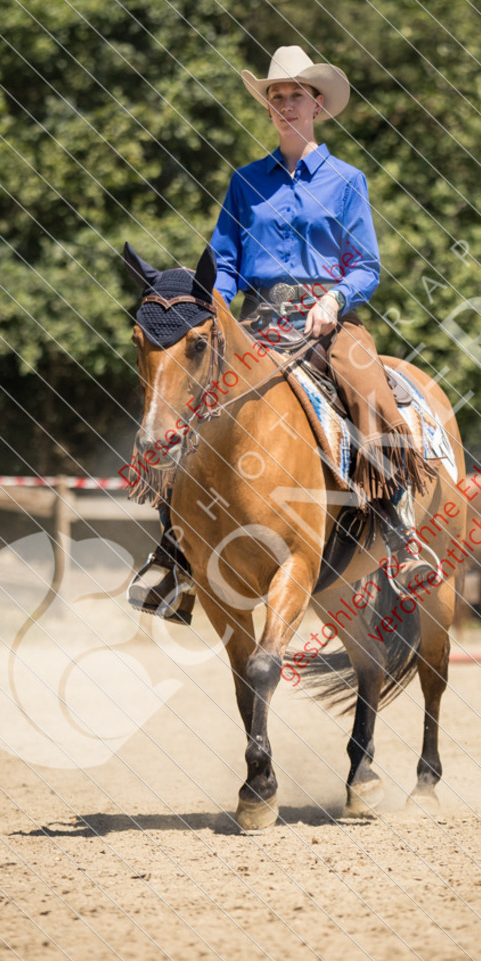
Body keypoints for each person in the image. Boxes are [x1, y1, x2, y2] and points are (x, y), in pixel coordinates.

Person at [128, 45, 429, 618]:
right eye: (276, 97)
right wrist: (200, 305)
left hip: (330, 321)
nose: (286, 104)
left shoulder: (347, 180)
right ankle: (174, 552)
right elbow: (224, 265)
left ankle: (397, 532)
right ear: (269, 109)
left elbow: (366, 265)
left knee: (371, 391)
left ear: (317, 104)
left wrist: (336, 299)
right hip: (258, 321)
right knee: (188, 406)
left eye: (296, 95)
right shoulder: (245, 182)